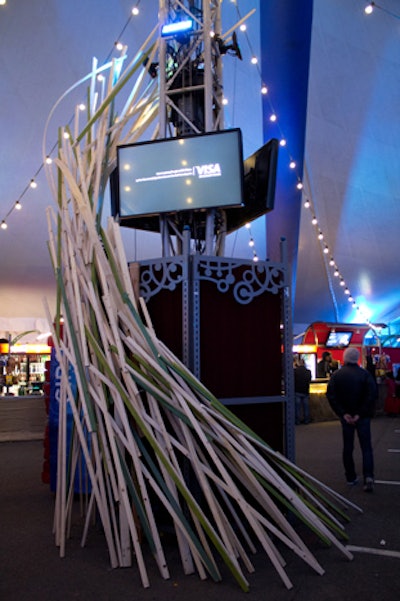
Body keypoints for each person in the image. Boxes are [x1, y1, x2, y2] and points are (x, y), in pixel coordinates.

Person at [326, 347, 377, 492]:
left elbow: (331, 395)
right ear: (357, 358)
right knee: (366, 447)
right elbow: (371, 395)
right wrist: (360, 413)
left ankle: (350, 477)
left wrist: (343, 413)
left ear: (344, 358)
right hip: (363, 417)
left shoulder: (336, 375)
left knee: (348, 447)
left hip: (346, 417)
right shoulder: (365, 375)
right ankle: (368, 476)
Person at [294, 358, 312, 424]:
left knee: (297, 407)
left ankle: (297, 421)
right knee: (306, 407)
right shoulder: (308, 371)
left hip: (297, 391)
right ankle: (306, 420)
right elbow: (309, 380)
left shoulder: (295, 371)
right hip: (305, 391)